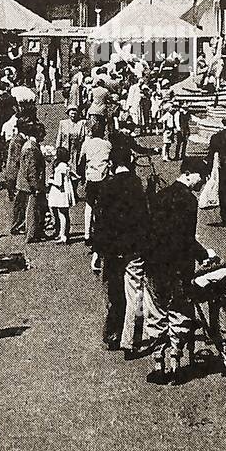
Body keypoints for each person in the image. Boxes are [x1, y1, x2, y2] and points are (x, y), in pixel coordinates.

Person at [145, 157, 207, 383]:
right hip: (179, 267)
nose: (204, 181)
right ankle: (175, 365)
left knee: (157, 313)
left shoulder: (160, 197)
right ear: (189, 174)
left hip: (155, 264)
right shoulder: (189, 201)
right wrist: (204, 254)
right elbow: (186, 239)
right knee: (179, 313)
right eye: (202, 176)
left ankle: (158, 364)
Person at [91, 142, 149, 350]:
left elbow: (100, 221)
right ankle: (131, 338)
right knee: (134, 292)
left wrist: (97, 251)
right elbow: (144, 218)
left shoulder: (107, 186)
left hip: (112, 249)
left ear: (112, 163)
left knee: (114, 292)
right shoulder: (137, 185)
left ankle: (113, 333)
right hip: (134, 248)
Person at [80, 117, 113, 258]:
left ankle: (87, 233)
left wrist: (82, 176)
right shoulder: (107, 144)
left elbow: (81, 161)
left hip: (91, 178)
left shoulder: (87, 144)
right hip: (103, 178)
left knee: (89, 205)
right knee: (104, 206)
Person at [47, 147, 76, 244]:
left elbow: (58, 183)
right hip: (66, 192)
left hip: (60, 193)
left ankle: (62, 235)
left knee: (61, 215)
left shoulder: (59, 168)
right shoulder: (66, 166)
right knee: (65, 214)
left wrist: (50, 181)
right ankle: (64, 233)